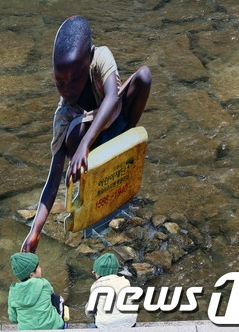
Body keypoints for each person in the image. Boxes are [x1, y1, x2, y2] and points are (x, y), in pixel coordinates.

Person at [21, 15, 151, 253]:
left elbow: (112, 97)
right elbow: (52, 181)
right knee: (74, 131)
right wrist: (35, 231)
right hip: (93, 151)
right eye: (60, 83)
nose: (68, 88)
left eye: (76, 79)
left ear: (89, 60)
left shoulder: (99, 56)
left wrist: (85, 144)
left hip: (117, 126)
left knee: (144, 76)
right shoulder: (64, 115)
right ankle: (93, 183)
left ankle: (122, 151)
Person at [7, 252, 68, 330]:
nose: (40, 268)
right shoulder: (44, 283)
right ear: (31, 275)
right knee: (56, 298)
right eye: (38, 267)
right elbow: (51, 293)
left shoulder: (13, 292)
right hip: (53, 327)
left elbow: (13, 318)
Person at [85, 253, 137, 328]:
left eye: (94, 272)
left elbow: (89, 311)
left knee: (94, 322)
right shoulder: (125, 282)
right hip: (130, 323)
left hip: (106, 325)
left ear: (98, 273)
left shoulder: (96, 286)